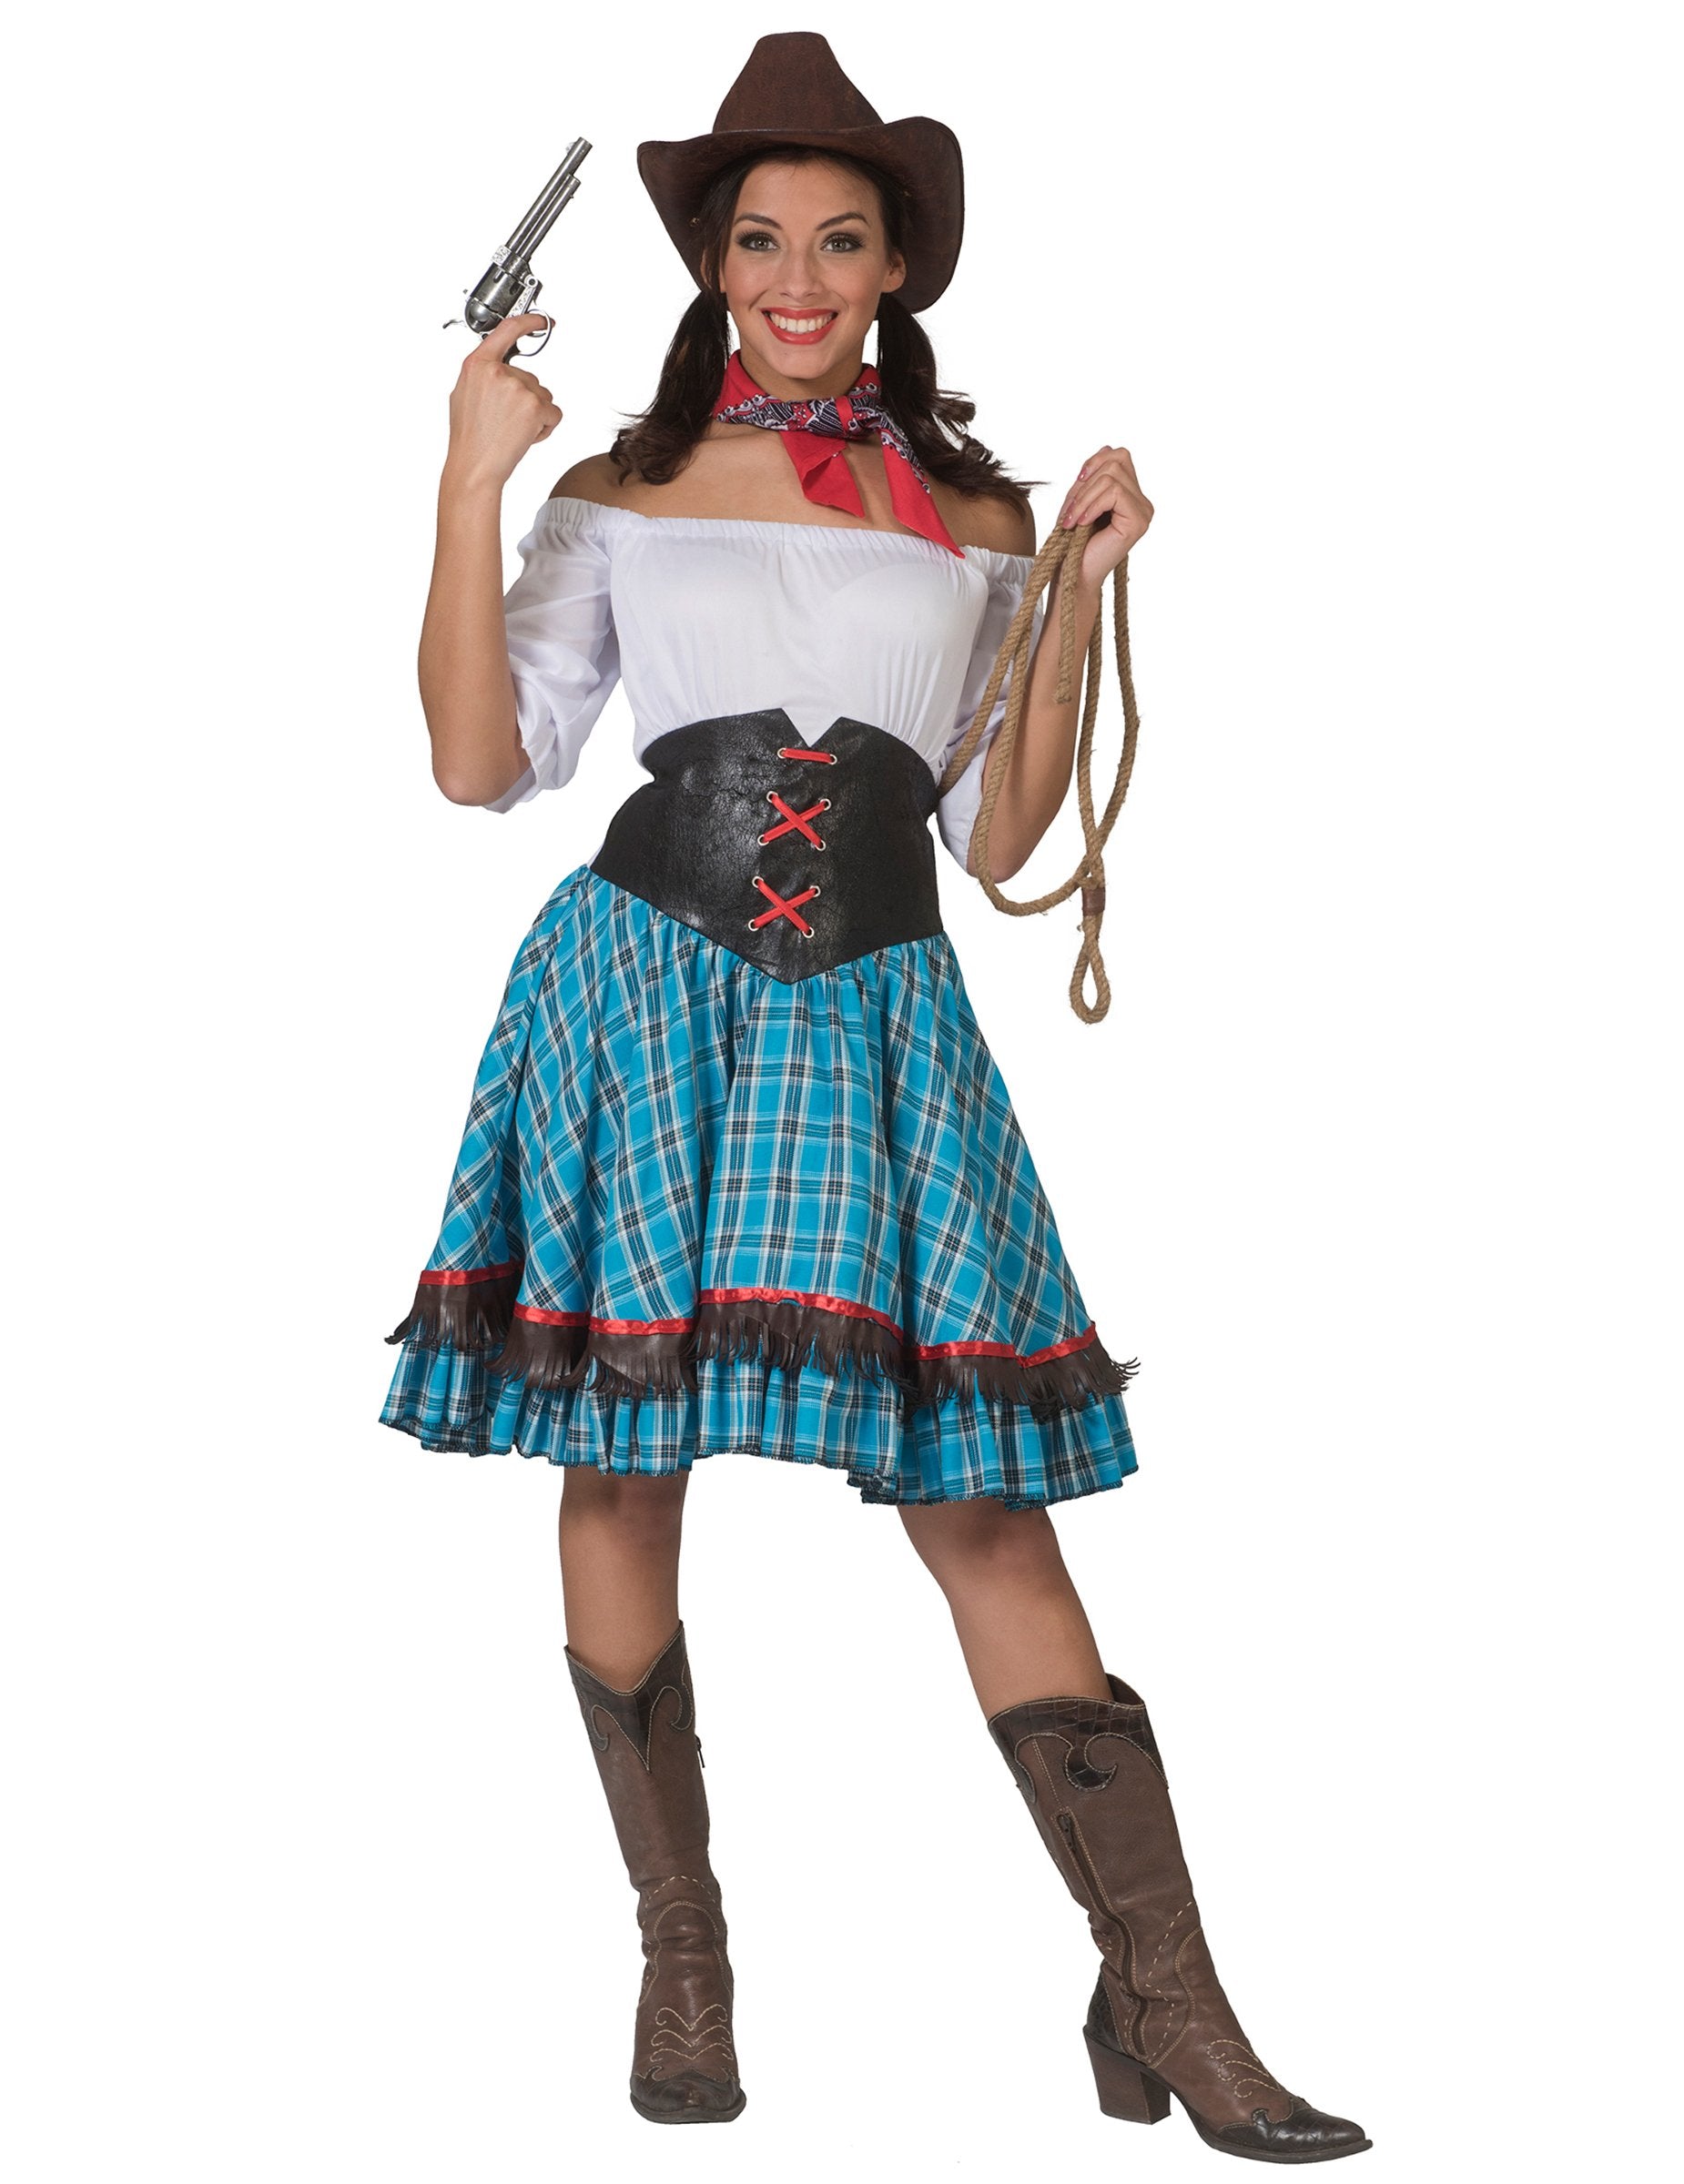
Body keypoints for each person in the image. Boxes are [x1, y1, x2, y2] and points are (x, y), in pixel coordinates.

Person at [380, 32, 1370, 2163]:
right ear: (711, 265)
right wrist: (467, 482)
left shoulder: (976, 522)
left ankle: (1169, 2002)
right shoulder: (617, 492)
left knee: (980, 1497)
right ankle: (683, 1958)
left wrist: (1078, 586)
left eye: (839, 243)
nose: (798, 282)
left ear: (897, 267)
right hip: (642, 982)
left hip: (879, 1007)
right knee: (622, 1459)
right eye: (759, 243)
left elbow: (1003, 836)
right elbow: (476, 764)